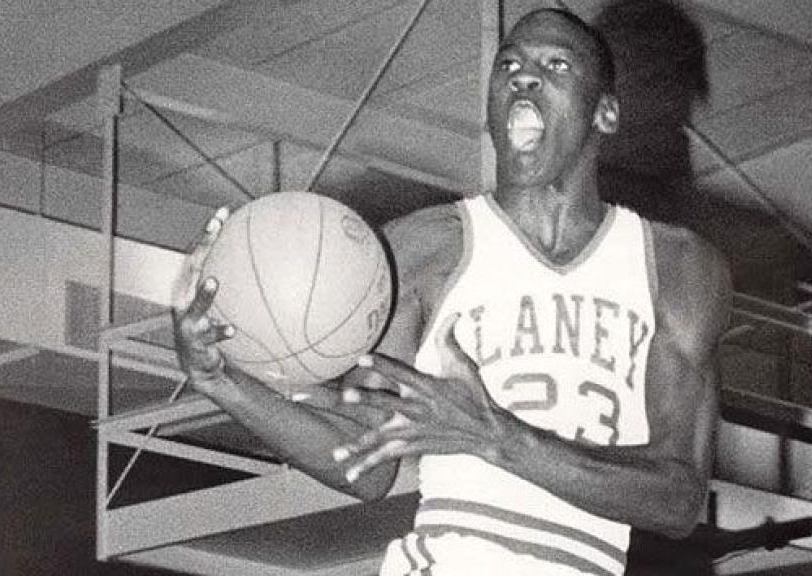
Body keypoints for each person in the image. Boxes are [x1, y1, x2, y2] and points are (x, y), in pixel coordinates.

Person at [173, 8, 731, 576]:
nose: (523, 76)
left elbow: (677, 500)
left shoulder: (678, 267)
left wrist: (494, 435)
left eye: (555, 64)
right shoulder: (421, 249)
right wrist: (220, 380)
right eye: (508, 64)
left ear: (604, 112)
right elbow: (364, 463)